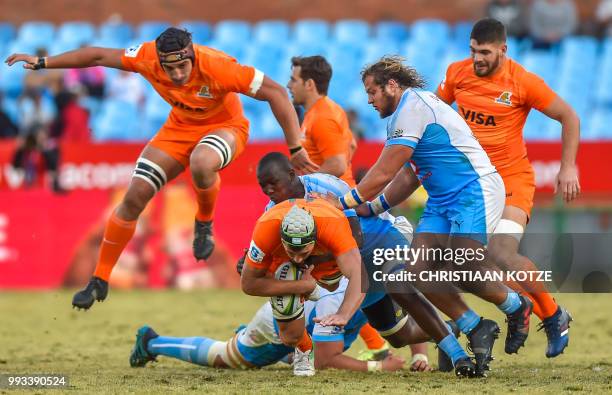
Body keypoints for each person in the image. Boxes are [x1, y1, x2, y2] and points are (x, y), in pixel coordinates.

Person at [5, 27, 317, 310]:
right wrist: (43, 62)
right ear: (160, 61)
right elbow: (98, 55)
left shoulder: (218, 66)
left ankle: (204, 223)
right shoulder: (146, 57)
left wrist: (295, 146)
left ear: (192, 57)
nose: (179, 74)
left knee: (202, 161)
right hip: (178, 129)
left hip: (226, 126)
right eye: (171, 68)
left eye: (184, 66)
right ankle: (99, 278)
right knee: (134, 195)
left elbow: (276, 92)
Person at [323, 55, 537, 375]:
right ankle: (473, 325)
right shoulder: (402, 115)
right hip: (441, 199)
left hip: (473, 190)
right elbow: (410, 176)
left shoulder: (413, 106)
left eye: (372, 91)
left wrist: (344, 202)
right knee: (413, 274)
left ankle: (516, 305)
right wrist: (375, 206)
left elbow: (383, 172)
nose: (368, 99)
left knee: (463, 260)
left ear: (392, 86)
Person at [252, 153, 479, 378]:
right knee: (397, 335)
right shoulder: (272, 212)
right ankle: (449, 329)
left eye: (274, 183)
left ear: (292, 175)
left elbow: (357, 238)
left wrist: (310, 261)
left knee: (399, 286)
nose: (269, 191)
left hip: (381, 237)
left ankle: (462, 350)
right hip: (349, 261)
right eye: (263, 186)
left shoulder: (325, 185)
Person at [437, 18, 578, 357]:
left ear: (503, 50)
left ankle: (553, 314)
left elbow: (569, 116)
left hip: (512, 180)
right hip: (472, 185)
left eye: (484, 52)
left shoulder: (522, 82)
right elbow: (435, 114)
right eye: (472, 51)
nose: (477, 59)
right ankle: (507, 312)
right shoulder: (457, 74)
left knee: (501, 253)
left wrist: (568, 166)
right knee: (452, 260)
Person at [128, 278, 408, 373]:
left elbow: (414, 312)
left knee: (330, 341)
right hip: (279, 327)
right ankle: (151, 342)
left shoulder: (375, 277)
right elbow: (323, 360)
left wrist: (419, 355)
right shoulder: (338, 298)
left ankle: (253, 338)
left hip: (308, 329)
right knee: (226, 359)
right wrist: (378, 367)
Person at [287, 56, 356, 186]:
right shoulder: (328, 108)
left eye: (293, 80)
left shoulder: (322, 117)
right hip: (337, 195)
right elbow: (351, 145)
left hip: (330, 200)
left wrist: (305, 186)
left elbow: (337, 165)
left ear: (309, 84)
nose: (288, 85)